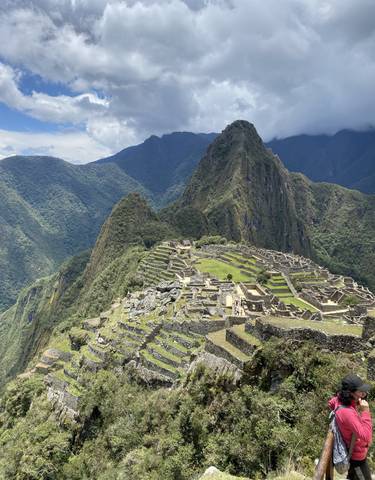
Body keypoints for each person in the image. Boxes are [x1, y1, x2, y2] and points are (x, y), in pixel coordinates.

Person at [328, 374, 373, 480]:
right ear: (350, 393)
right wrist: (365, 412)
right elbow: (366, 436)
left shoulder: (339, 400)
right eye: (360, 391)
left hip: (356, 453)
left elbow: (331, 402)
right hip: (357, 459)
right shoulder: (347, 413)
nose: (364, 393)